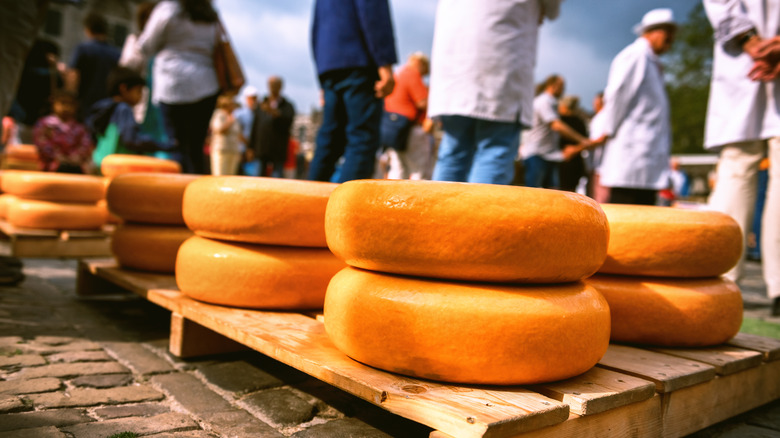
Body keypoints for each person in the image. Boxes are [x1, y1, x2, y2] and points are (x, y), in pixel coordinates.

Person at [428, 1, 563, 185]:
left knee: (453, 152)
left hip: (453, 63)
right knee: (494, 151)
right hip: (499, 57)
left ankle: (439, 214)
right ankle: (477, 214)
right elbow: (552, 7)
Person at [703, 0, 780, 315]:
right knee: (737, 163)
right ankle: (720, 276)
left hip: (749, 55)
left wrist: (753, 42)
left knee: (737, 166)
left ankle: (723, 280)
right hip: (745, 63)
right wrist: (754, 43)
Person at [308, 0, 398, 183]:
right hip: (359, 59)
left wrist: (322, 76)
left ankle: (308, 205)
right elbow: (372, 10)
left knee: (329, 139)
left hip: (329, 62)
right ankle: (348, 209)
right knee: (362, 138)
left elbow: (316, 27)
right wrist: (384, 61)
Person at [596, 8, 676, 205]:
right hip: (632, 149)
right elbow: (617, 94)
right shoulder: (635, 56)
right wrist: (610, 129)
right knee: (626, 207)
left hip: (645, 152)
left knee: (643, 209)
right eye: (668, 34)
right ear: (654, 31)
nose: (671, 40)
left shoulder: (651, 61)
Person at [137, 0, 221, 174]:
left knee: (177, 145)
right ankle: (198, 196)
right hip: (207, 84)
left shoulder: (169, 9)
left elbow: (146, 45)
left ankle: (180, 194)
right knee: (196, 147)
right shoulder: (210, 14)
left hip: (174, 83)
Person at [86, 67, 175, 169]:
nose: (141, 96)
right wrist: (165, 146)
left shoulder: (104, 109)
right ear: (123, 88)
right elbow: (131, 139)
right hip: (118, 166)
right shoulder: (123, 109)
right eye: (139, 91)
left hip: (101, 162)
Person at [522, 75, 591, 189]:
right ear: (553, 86)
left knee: (549, 196)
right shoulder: (544, 102)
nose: (563, 90)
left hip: (547, 155)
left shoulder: (549, 102)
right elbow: (556, 125)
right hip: (538, 154)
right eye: (562, 86)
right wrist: (582, 140)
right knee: (534, 195)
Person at [381, 52, 432, 180]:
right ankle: (417, 199)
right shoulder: (412, 75)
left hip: (392, 128)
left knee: (397, 168)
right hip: (409, 128)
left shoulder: (399, 74)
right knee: (418, 170)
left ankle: (392, 199)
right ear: (421, 64)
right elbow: (422, 102)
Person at [66, 12, 121, 120]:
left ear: (88, 29)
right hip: (106, 106)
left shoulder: (83, 49)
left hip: (84, 104)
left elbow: (73, 76)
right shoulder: (116, 54)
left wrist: (69, 99)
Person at [32, 90, 93, 173]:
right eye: (63, 103)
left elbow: (85, 145)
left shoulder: (79, 128)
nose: (66, 107)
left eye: (70, 104)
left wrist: (75, 157)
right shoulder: (44, 124)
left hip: (74, 166)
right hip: (50, 167)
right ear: (54, 104)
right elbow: (41, 143)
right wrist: (57, 156)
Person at [249, 76, 295, 178]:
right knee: (258, 177)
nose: (273, 87)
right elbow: (255, 127)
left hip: (278, 149)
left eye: (275, 85)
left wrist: (275, 113)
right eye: (271, 85)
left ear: (280, 86)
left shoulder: (287, 106)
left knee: (276, 179)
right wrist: (251, 147)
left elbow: (289, 122)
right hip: (261, 148)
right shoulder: (261, 104)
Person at [557, 95, 589, 192]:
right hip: (576, 162)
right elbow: (586, 142)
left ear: (564, 107)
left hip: (562, 162)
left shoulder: (561, 121)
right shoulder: (580, 121)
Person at [209, 94, 243, 176]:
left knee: (231, 176)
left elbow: (238, 133)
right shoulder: (218, 114)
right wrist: (229, 122)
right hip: (221, 150)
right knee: (219, 175)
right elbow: (218, 129)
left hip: (233, 150)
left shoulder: (234, 116)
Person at [587, 92, 610, 203]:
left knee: (599, 201)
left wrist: (578, 147)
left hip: (602, 166)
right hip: (596, 165)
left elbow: (601, 139)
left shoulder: (604, 117)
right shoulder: (599, 117)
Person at [234, 85, 258, 174]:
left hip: (253, 151)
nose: (254, 101)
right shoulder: (239, 114)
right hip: (240, 150)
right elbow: (237, 132)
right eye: (251, 98)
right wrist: (249, 145)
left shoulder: (258, 113)